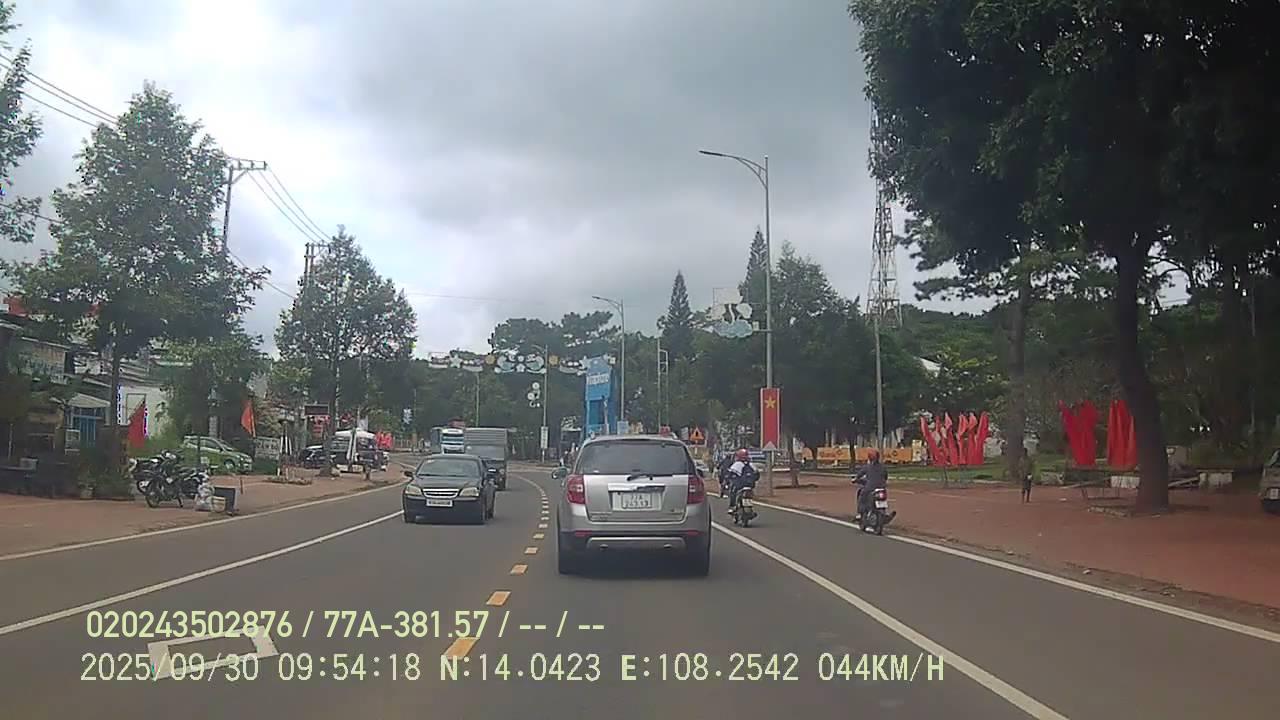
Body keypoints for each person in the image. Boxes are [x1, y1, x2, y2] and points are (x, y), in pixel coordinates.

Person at [854, 448, 888, 520]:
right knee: (883, 498)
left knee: (861, 496)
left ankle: (860, 513)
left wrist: (855, 479)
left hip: (870, 488)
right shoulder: (883, 467)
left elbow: (859, 474)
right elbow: (885, 476)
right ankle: (884, 513)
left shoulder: (867, 467)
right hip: (882, 488)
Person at [725, 448, 759, 513]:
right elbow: (757, 475)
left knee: (732, 492)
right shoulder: (751, 465)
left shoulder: (737, 464)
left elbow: (730, 474)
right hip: (750, 485)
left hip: (739, 485)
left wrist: (727, 480)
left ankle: (732, 506)